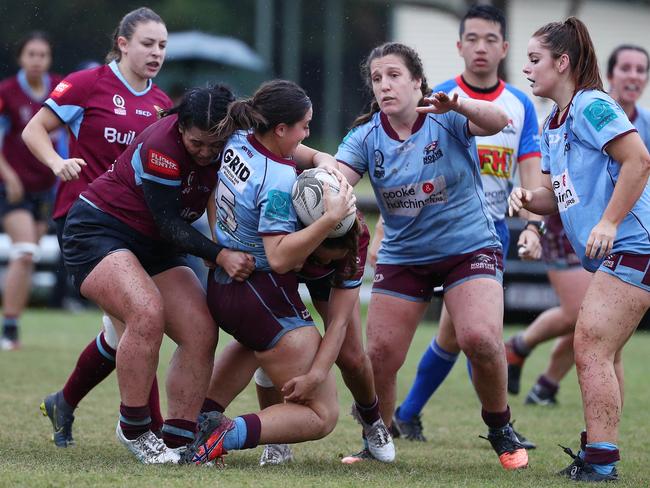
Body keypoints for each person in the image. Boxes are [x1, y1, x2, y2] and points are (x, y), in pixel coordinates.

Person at [334, 42, 529, 470]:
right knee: (380, 355)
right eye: (377, 78)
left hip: (469, 246)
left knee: (479, 337)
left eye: (394, 75)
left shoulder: (446, 117)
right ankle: (377, 439)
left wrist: (460, 107)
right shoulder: (366, 136)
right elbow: (336, 182)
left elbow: (500, 121)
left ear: (416, 81)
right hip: (405, 256)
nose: (384, 85)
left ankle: (500, 426)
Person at [60, 85, 254, 464]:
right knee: (146, 312)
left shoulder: (230, 138)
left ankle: (179, 438)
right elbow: (169, 225)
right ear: (181, 127)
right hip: (99, 231)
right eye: (198, 143)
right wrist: (221, 254)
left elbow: (280, 140)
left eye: (216, 146)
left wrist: (321, 159)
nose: (207, 153)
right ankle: (134, 429)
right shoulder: (162, 146)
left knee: (201, 330)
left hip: (154, 244)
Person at [182, 79, 357, 466]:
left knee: (251, 347)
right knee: (321, 414)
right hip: (260, 292)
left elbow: (216, 189)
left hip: (225, 284)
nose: (307, 132)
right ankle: (226, 435)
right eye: (304, 125)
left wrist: (323, 160)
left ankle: (194, 424)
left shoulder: (242, 138)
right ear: (281, 129)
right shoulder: (277, 180)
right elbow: (278, 258)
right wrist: (328, 220)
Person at [389, 5, 543, 443]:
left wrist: (533, 226)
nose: (480, 47)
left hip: (491, 231)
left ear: (505, 48)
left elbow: (530, 171)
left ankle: (409, 414)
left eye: (490, 39)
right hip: (443, 232)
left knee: (461, 334)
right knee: (478, 333)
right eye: (471, 39)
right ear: (459, 46)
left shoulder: (519, 105)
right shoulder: (436, 97)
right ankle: (499, 427)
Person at [21, 7, 172, 448]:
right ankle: (153, 431)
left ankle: (63, 402)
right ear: (123, 43)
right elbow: (35, 130)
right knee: (140, 321)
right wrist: (57, 162)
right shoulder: (88, 84)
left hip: (138, 227)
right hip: (86, 220)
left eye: (162, 45)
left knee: (123, 330)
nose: (156, 53)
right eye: (147, 43)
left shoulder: (162, 103)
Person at [509, 17, 650, 482]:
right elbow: (554, 196)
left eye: (534, 59)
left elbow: (639, 160)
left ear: (562, 62)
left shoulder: (592, 105)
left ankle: (601, 464)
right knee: (599, 349)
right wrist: (528, 199)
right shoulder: (554, 122)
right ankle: (598, 455)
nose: (526, 69)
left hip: (636, 244)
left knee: (590, 343)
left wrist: (609, 222)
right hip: (619, 252)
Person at [197, 211, 395, 465]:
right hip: (281, 266)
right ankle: (271, 438)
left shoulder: (354, 239)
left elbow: (339, 322)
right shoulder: (282, 221)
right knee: (264, 339)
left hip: (325, 281)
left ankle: (372, 420)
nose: (322, 263)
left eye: (329, 260)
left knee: (352, 357)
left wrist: (316, 375)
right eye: (320, 257)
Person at [0, 32, 64, 350]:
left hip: (46, 187)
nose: (37, 60)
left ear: (49, 59)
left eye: (43, 55)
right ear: (21, 58)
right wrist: (8, 176)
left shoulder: (60, 88)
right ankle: (8, 330)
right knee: (24, 251)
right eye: (31, 54)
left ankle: (14, 324)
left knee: (29, 257)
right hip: (13, 189)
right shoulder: (7, 92)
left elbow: (67, 133)